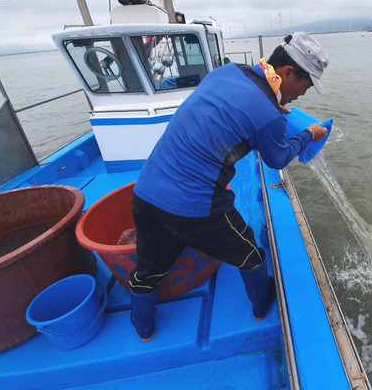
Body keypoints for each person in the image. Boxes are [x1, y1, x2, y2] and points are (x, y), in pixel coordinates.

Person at [128, 31, 330, 341]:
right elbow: (277, 159)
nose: (304, 93)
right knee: (251, 254)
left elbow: (231, 111)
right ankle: (262, 306)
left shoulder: (226, 71)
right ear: (288, 73)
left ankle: (143, 329)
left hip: (146, 193)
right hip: (194, 206)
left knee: (148, 269)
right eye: (306, 84)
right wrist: (308, 135)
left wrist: (274, 110)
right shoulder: (268, 115)